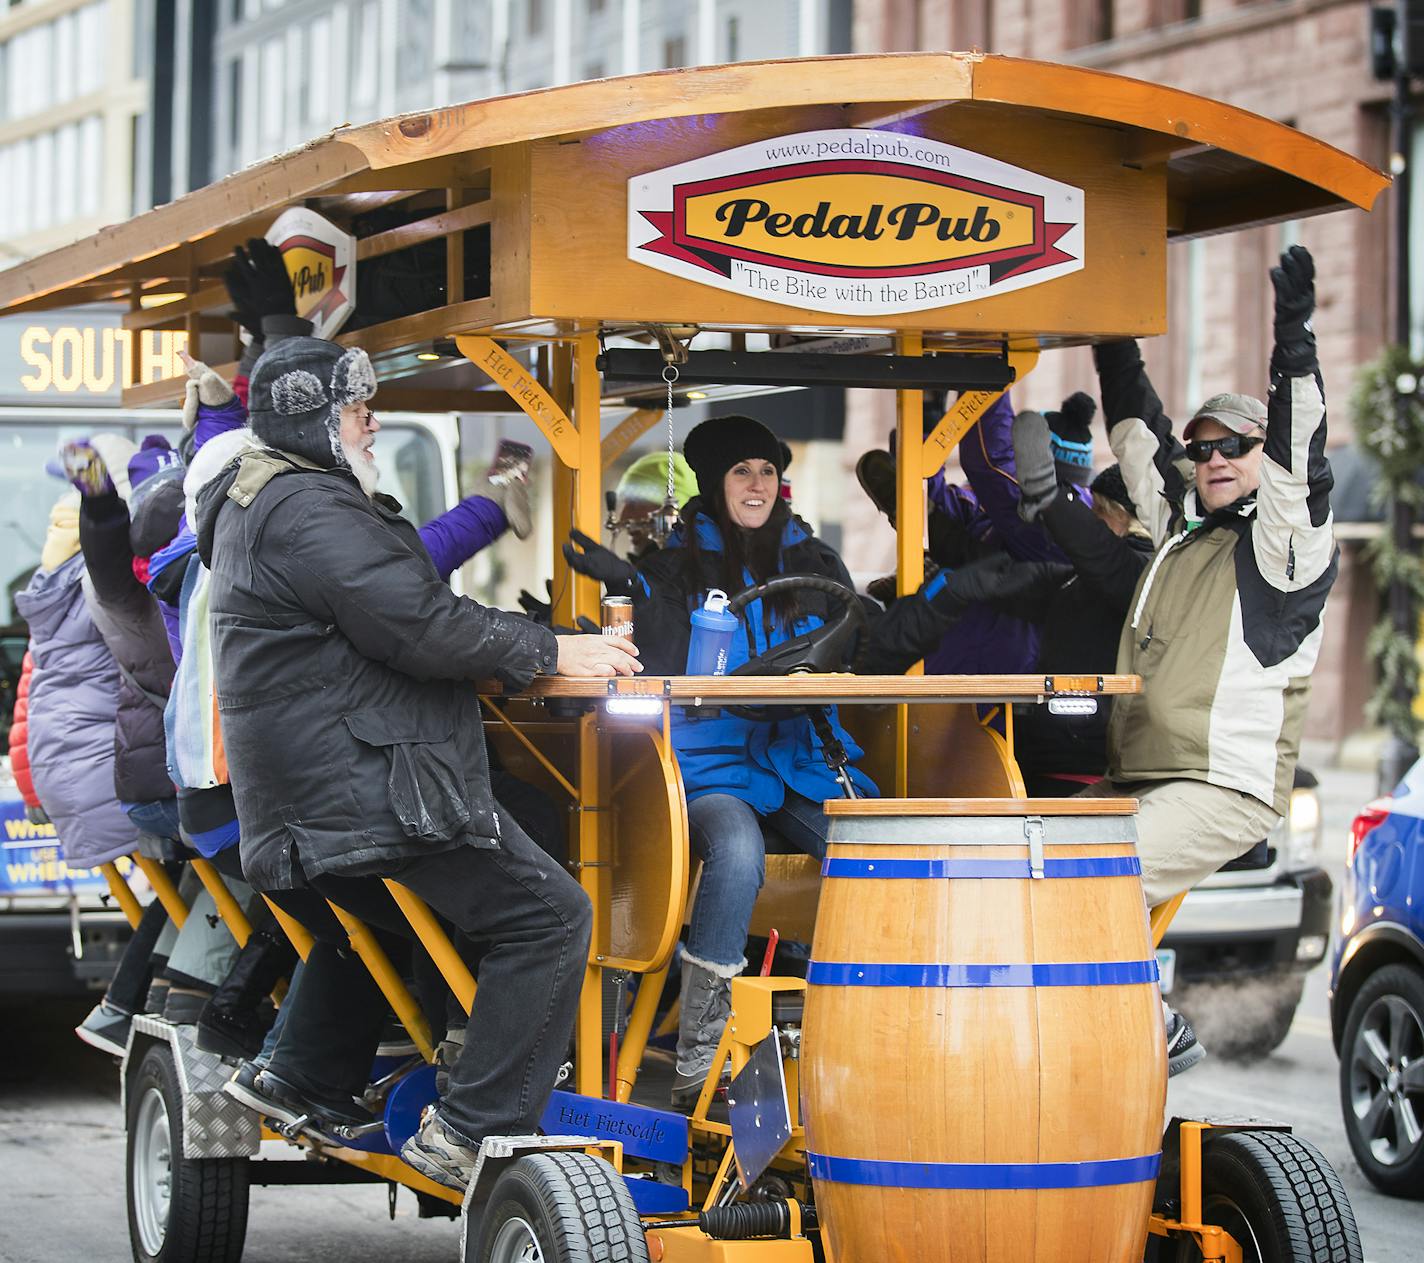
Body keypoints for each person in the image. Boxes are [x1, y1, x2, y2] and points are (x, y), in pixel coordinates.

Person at [194, 333, 638, 1191]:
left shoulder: (272, 500)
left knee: (438, 895)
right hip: (365, 788)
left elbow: (405, 609)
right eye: (359, 409)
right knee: (550, 915)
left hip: (318, 789)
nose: (372, 420)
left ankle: (308, 1072)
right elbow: (420, 624)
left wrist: (532, 644)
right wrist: (550, 648)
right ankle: (472, 1125)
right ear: (317, 421)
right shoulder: (308, 508)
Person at [618, 415, 1050, 1107]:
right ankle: (703, 1051)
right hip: (713, 765)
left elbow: (867, 650)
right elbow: (660, 662)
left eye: (766, 470)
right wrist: (633, 589)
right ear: (713, 482)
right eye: (741, 471)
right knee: (733, 848)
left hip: (805, 755)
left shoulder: (815, 563)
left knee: (884, 843)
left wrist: (948, 595)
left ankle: (897, 1027)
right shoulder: (670, 571)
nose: (756, 483)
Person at [1040, 245, 1334, 1075]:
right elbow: (1137, 427)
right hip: (1146, 774)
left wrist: (1294, 344)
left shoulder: (1284, 548)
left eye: (1233, 446)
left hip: (1223, 784)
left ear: (1259, 454)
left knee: (1090, 867)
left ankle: (1154, 1030)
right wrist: (1110, 330)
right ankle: (1061, 1043)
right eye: (1203, 449)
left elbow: (1301, 458)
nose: (1213, 458)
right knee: (1020, 847)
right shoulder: (1181, 527)